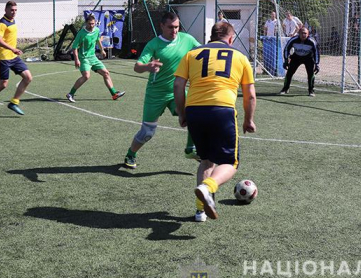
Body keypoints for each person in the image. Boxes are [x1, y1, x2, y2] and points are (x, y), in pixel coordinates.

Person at [173, 21, 256, 222]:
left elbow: (178, 84)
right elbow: (250, 95)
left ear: (211, 37)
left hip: (194, 111)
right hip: (222, 110)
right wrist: (249, 120)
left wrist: (182, 113)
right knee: (230, 162)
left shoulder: (191, 54)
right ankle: (208, 187)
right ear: (230, 39)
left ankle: (200, 211)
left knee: (206, 160)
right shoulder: (240, 57)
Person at [123, 12, 200, 170]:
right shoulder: (153, 44)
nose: (174, 31)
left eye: (177, 27)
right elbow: (137, 66)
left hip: (176, 92)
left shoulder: (187, 39)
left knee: (194, 114)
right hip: (155, 95)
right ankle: (131, 154)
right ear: (162, 26)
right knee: (147, 133)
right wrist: (147, 67)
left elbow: (204, 51)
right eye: (171, 27)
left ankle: (190, 149)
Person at [66, 14, 125, 103]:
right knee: (86, 76)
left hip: (93, 57)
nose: (91, 25)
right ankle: (70, 94)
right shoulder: (81, 33)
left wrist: (102, 50)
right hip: (84, 58)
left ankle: (114, 94)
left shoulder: (96, 30)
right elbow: (74, 48)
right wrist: (76, 59)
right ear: (86, 23)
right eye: (90, 24)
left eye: (93, 24)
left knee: (106, 73)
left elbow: (97, 40)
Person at [278, 27, 320, 97]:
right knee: (289, 73)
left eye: (305, 33)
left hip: (308, 57)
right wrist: (286, 60)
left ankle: (311, 91)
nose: (303, 35)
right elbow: (286, 49)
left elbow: (316, 53)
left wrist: (317, 64)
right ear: (298, 34)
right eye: (302, 33)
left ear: (308, 34)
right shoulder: (293, 40)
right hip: (296, 57)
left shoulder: (312, 41)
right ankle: (285, 89)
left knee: (311, 73)